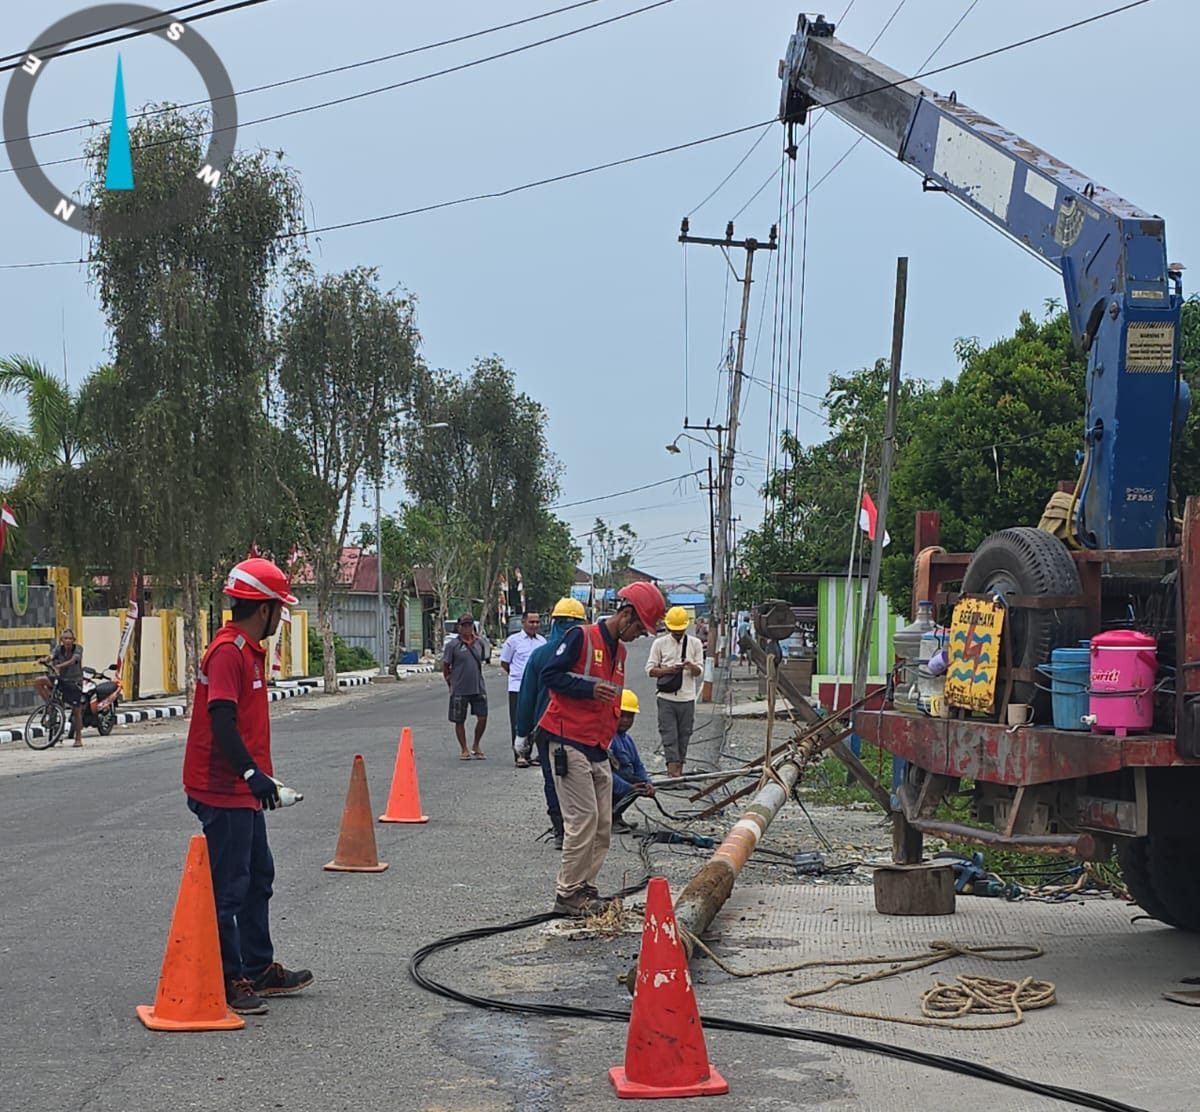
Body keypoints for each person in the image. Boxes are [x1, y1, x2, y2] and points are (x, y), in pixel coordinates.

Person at [182, 556, 312, 1016]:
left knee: (259, 876)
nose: (282, 615)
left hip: (243, 789)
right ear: (265, 609)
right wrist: (250, 774)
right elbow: (221, 719)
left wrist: (260, 779)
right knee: (229, 888)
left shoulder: (248, 650)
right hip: (222, 789)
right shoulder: (227, 653)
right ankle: (229, 976)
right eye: (280, 607)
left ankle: (257, 966)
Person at [538, 581, 666, 916]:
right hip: (568, 739)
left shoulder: (620, 653)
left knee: (602, 824)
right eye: (639, 628)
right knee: (583, 818)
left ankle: (585, 887)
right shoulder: (581, 637)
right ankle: (567, 893)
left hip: (596, 744)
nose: (639, 635)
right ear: (626, 615)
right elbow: (549, 675)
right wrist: (588, 688)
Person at [514, 598, 586, 849]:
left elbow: (526, 698)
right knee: (582, 781)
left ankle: (560, 832)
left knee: (552, 779)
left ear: (553, 622)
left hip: (547, 728)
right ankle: (580, 830)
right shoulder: (588, 652)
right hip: (582, 730)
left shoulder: (540, 654)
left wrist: (522, 735)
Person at [646, 605, 704, 778]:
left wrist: (690, 666)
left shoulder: (695, 643)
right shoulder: (660, 643)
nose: (678, 634)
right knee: (669, 735)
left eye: (681, 630)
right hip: (666, 698)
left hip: (687, 698)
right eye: (675, 630)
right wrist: (668, 670)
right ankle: (673, 772)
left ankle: (679, 769)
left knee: (684, 735)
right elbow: (650, 670)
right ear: (669, 627)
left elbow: (699, 671)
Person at [499, 610, 545, 767]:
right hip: (518, 687)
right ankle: (519, 755)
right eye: (531, 622)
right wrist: (517, 676)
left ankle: (530, 753)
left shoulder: (542, 642)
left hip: (537, 688)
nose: (535, 625)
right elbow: (505, 663)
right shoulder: (513, 641)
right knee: (518, 721)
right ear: (523, 623)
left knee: (535, 721)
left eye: (537, 622)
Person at [443, 613, 490, 760]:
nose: (467, 628)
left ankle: (476, 744)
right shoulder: (453, 645)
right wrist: (450, 682)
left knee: (482, 716)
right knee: (459, 720)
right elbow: (446, 666)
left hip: (477, 686)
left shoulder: (479, 643)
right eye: (464, 625)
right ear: (459, 627)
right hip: (460, 687)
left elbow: (483, 659)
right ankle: (464, 748)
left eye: (470, 625)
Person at [609, 689, 654, 834]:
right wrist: (629, 788)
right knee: (632, 784)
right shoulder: (608, 739)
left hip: (620, 782)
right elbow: (604, 774)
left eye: (630, 716)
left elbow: (638, 766)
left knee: (637, 782)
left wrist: (647, 783)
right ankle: (608, 818)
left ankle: (616, 816)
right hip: (606, 785)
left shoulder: (627, 740)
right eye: (622, 716)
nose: (626, 720)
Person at [36, 629, 86, 747]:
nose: (67, 641)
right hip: (60, 680)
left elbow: (73, 660)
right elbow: (52, 656)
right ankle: (50, 704)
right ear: (61, 640)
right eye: (65, 638)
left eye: (69, 638)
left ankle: (78, 738)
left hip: (74, 682)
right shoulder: (59, 649)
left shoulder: (78, 649)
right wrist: (46, 660)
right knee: (39, 681)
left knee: (76, 711)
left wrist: (59, 666)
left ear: (73, 640)